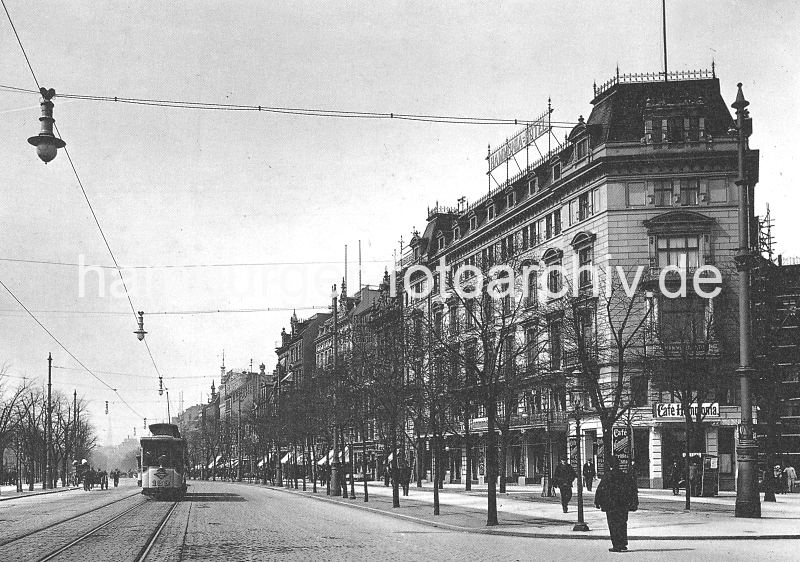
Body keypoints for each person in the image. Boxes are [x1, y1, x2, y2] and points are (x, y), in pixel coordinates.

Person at [595, 455, 638, 553]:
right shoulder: (624, 475)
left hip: (611, 505)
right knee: (622, 523)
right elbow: (632, 490)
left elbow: (600, 490)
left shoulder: (608, 476)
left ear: (610, 465)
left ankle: (616, 545)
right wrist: (634, 502)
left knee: (613, 524)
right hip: (623, 504)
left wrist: (597, 502)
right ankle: (623, 543)